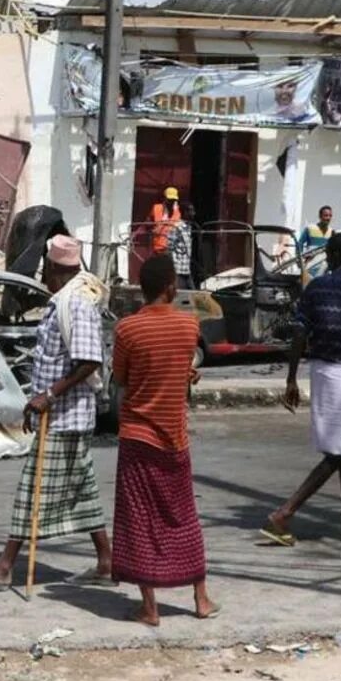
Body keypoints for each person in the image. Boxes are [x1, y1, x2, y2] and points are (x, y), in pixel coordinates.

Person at [0, 235, 113, 591]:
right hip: (61, 415)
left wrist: (48, 395)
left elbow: (89, 361)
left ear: (57, 269)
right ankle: (106, 562)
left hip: (66, 416)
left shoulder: (76, 302)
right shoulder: (62, 300)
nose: (42, 274)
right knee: (82, 489)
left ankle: (3, 567)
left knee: (32, 490)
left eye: (46, 267)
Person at [111, 255, 219, 626]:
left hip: (138, 435)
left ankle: (150, 608)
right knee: (183, 515)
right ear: (171, 286)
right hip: (175, 438)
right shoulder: (189, 327)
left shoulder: (127, 330)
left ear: (142, 289)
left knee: (139, 519)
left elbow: (123, 379)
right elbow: (175, 364)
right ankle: (201, 599)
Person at [262, 233, 341, 546]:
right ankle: (285, 513)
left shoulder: (315, 288)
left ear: (331, 255)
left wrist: (291, 378)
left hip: (320, 371)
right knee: (339, 452)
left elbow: (299, 333)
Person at [146, 187, 194, 290]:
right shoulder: (156, 208)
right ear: (164, 199)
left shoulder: (179, 213)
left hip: (170, 252)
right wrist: (153, 229)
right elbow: (147, 224)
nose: (171, 202)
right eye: (169, 200)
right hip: (158, 249)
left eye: (173, 200)